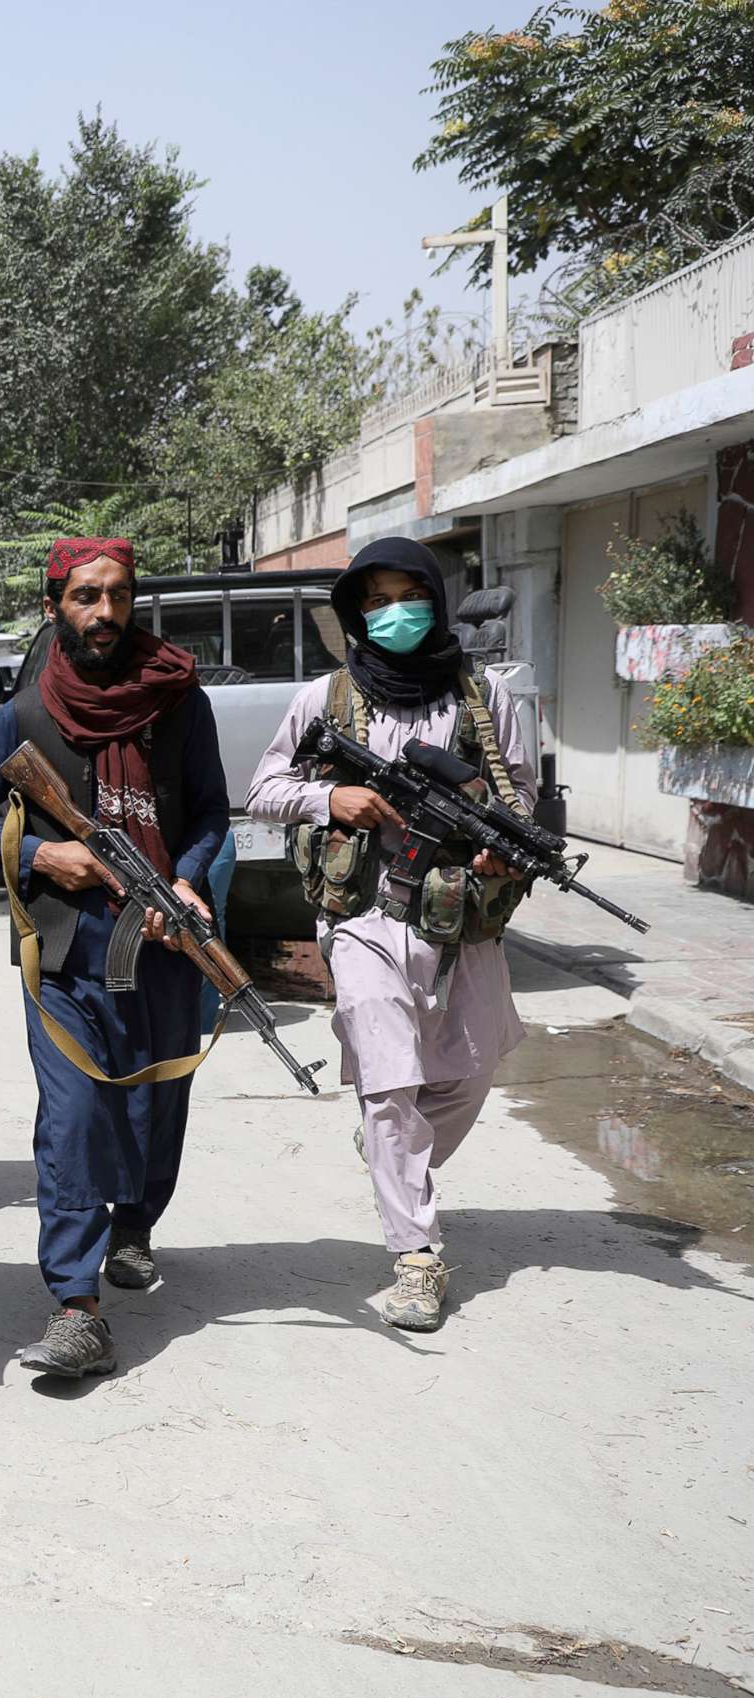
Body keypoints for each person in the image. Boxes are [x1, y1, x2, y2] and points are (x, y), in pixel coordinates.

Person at [0, 538, 228, 1382]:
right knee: (72, 1119)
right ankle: (77, 1306)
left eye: (118, 596)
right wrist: (41, 857)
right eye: (85, 597)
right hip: (65, 953)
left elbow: (213, 814)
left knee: (154, 1110)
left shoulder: (180, 705)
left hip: (167, 944)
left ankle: (133, 1223)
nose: (104, 613)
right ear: (54, 607)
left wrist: (185, 879)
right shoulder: (23, 717)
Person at [245, 537, 532, 1332]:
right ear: (353, 614)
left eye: (409, 594)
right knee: (390, 1082)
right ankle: (416, 1255)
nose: (393, 612)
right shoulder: (326, 700)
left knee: (469, 1075)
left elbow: (522, 795)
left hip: (460, 918)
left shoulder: (483, 699)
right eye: (374, 601)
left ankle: (391, 1156)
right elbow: (265, 788)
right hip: (363, 918)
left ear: (436, 601)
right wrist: (329, 802)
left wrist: (501, 846)